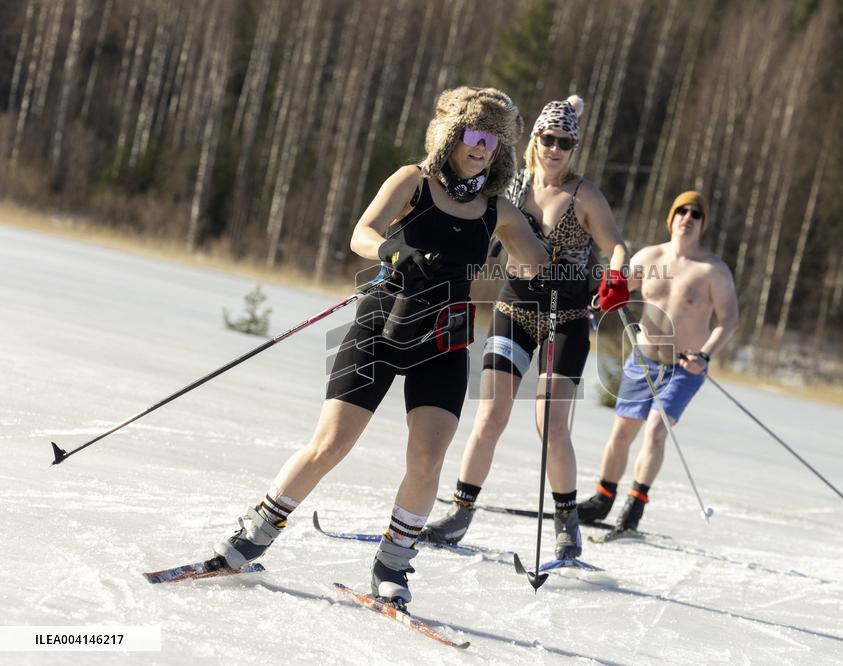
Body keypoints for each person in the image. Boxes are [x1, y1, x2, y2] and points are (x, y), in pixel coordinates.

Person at [209, 87, 550, 608]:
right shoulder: (414, 179)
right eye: (474, 136)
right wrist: (392, 250)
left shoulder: (497, 209)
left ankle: (393, 565)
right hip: (384, 323)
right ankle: (253, 535)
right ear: (452, 135)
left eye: (493, 141)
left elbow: (534, 266)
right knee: (331, 443)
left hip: (446, 336)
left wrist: (555, 257)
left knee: (428, 457)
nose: (482, 148)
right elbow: (361, 232)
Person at [421, 95, 629, 560]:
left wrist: (617, 276)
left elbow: (616, 245)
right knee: (491, 414)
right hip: (514, 310)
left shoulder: (584, 195)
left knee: (550, 424)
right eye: (548, 138)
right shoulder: (511, 187)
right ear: (534, 140)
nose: (555, 148)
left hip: (567, 318)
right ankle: (460, 512)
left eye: (565, 142)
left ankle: (566, 522)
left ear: (574, 148)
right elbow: (479, 229)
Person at [577, 191, 739, 533]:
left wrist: (705, 355)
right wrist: (603, 294)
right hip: (644, 359)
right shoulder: (649, 257)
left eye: (696, 213)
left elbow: (729, 320)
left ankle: (634, 507)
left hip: (685, 368)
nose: (688, 217)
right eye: (682, 211)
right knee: (622, 431)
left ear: (702, 223)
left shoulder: (713, 270)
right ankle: (602, 499)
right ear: (672, 218)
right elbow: (616, 289)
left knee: (654, 431)